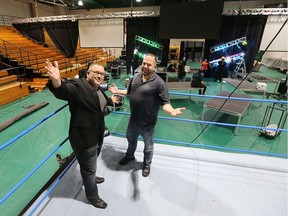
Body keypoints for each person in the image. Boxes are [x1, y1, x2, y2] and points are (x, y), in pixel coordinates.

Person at [46, 59, 119, 209]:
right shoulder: (78, 86)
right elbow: (64, 91)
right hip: (84, 140)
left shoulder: (98, 89)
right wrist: (57, 81)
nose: (100, 76)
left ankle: (90, 175)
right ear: (88, 73)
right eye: (96, 73)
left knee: (90, 164)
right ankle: (93, 196)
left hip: (97, 135)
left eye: (102, 73)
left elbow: (99, 104)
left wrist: (110, 101)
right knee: (89, 168)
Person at [108, 53, 186, 177]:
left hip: (148, 124)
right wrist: (118, 91)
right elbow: (130, 92)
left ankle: (147, 164)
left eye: (149, 64)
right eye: (144, 63)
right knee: (131, 140)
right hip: (133, 120)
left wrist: (171, 111)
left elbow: (165, 103)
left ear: (155, 66)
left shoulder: (159, 83)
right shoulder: (136, 77)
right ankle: (129, 156)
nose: (145, 66)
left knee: (148, 147)